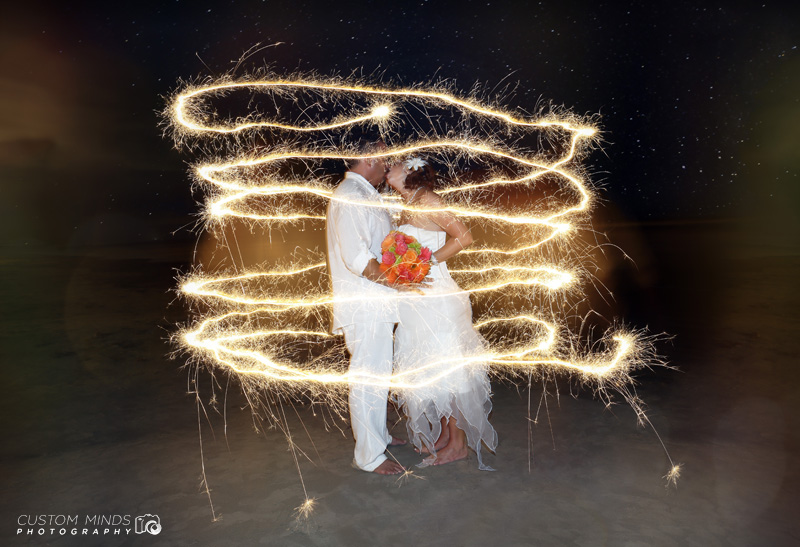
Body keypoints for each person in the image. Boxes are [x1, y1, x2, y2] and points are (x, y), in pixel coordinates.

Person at [386, 157, 497, 469]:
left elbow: (464, 236)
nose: (388, 167)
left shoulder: (428, 200)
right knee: (436, 371)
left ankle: (459, 444)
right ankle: (448, 436)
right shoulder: (407, 203)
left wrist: (426, 263)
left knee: (451, 373)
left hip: (438, 300)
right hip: (418, 303)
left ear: (409, 172)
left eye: (394, 164)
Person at [325, 141, 408, 475]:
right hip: (365, 303)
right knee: (368, 378)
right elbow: (357, 257)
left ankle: (380, 436)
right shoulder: (352, 195)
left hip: (376, 302)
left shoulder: (364, 193)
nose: (388, 164)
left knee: (378, 374)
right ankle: (369, 456)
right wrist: (395, 281)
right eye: (385, 157)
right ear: (370, 157)